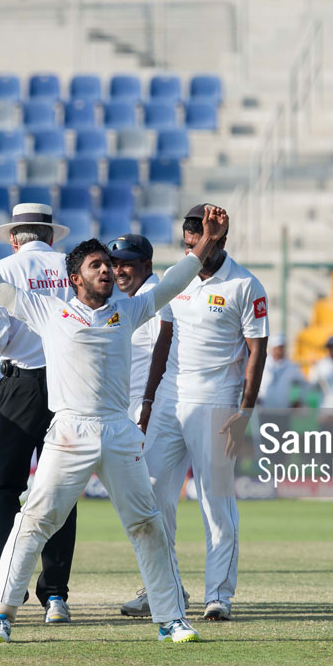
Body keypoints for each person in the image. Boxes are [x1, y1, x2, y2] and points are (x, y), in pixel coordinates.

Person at [0, 202, 231, 646]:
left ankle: (171, 619)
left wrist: (209, 242)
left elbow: (175, 281)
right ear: (75, 279)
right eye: (96, 265)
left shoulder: (129, 310)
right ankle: (0, 616)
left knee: (147, 524)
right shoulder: (51, 313)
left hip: (118, 432)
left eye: (109, 264)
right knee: (34, 521)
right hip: (69, 432)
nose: (107, 270)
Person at [127, 204, 268, 622]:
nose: (195, 250)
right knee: (152, 495)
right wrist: (149, 401)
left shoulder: (246, 285)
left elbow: (256, 351)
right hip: (170, 397)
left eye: (201, 243)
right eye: (189, 244)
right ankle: (164, 589)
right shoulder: (179, 277)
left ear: (220, 240)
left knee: (215, 502)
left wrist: (244, 413)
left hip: (217, 400)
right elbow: (163, 340)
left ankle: (219, 595)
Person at [0, 202, 76, 624]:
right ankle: (55, 594)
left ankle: (7, 578)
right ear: (51, 235)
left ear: (16, 238)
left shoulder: (2, 268)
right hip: (69, 382)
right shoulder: (71, 266)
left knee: (5, 488)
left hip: (21, 383)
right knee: (61, 489)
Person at [107, 233, 168, 421]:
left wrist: (149, 403)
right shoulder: (141, 299)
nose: (118, 272)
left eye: (126, 264)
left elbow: (166, 353)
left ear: (147, 265)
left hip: (146, 406)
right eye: (114, 265)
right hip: (132, 403)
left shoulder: (153, 300)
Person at [257, 334, 307, 410]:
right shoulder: (262, 364)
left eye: (282, 347)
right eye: (277, 347)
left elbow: (303, 383)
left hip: (283, 410)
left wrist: (298, 399)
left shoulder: (292, 366)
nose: (279, 350)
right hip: (264, 408)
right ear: (272, 348)